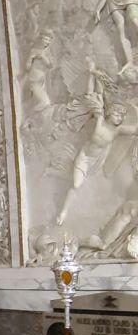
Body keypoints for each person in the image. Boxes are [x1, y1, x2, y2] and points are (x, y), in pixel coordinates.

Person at [56, 65, 138, 225]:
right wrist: (93, 74)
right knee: (76, 184)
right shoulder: (100, 120)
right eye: (117, 114)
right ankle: (63, 212)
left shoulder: (118, 130)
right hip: (85, 158)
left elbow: (135, 130)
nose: (119, 118)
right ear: (110, 112)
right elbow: (95, 95)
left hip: (98, 161)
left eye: (121, 116)